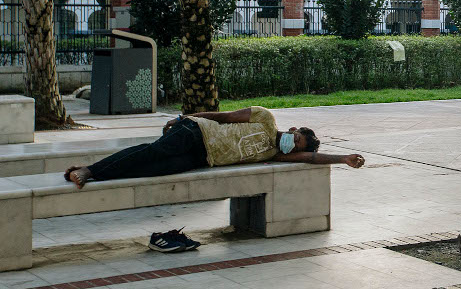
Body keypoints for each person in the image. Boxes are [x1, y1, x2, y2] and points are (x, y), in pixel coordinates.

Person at [64, 106, 364, 189]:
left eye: (296, 147)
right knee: (152, 152)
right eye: (295, 138)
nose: (292, 144)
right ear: (294, 130)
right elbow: (223, 117)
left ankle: (94, 173)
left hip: (201, 159)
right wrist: (184, 118)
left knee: (154, 168)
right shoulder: (264, 118)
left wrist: (344, 158)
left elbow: (311, 158)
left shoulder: (275, 153)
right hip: (196, 133)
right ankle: (89, 171)